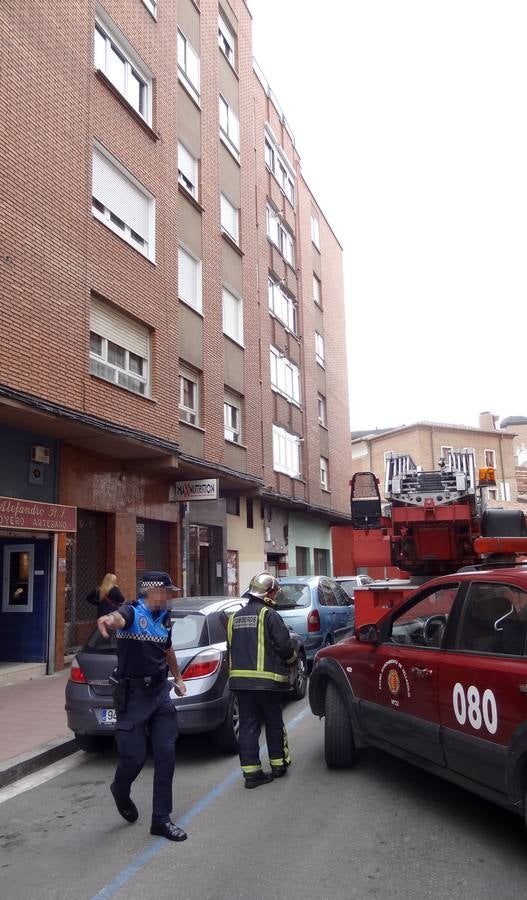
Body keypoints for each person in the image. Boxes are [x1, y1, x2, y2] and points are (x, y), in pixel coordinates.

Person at [97, 575, 187, 842]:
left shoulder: (164, 617)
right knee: (133, 759)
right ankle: (120, 790)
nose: (169, 597)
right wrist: (107, 619)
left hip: (160, 693)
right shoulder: (133, 612)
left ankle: (161, 819)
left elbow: (167, 648)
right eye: (166, 592)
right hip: (134, 697)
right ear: (152, 592)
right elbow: (118, 618)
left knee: (166, 756)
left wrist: (178, 678)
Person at [227, 572, 297, 788]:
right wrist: (292, 660)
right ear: (269, 593)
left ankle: (252, 774)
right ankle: (278, 765)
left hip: (240, 683)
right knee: (274, 722)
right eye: (274, 592)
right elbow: (284, 646)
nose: (276, 596)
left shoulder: (234, 618)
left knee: (248, 726)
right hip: (267, 683)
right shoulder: (269, 614)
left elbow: (232, 649)